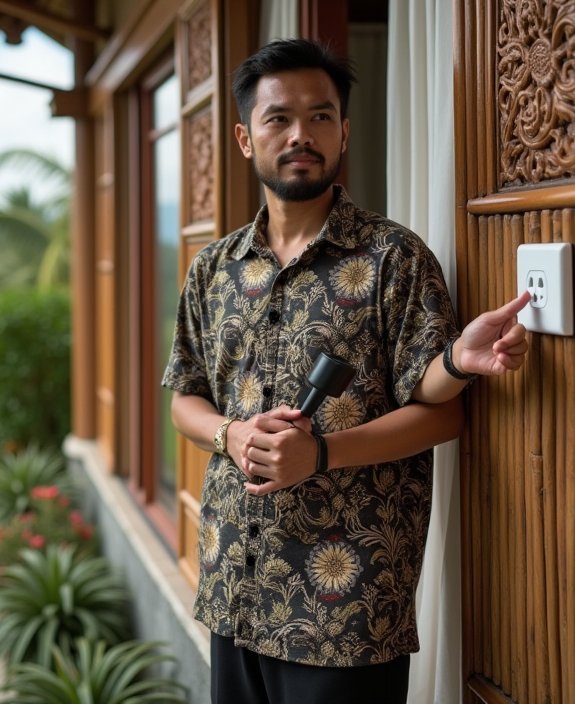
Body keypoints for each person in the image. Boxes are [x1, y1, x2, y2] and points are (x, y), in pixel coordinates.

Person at [162, 39, 530, 704]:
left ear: (344, 133)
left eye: (320, 116)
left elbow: (439, 408)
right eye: (279, 118)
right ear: (246, 138)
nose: (301, 133)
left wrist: (323, 452)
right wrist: (231, 436)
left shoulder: (394, 257)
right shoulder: (213, 269)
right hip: (233, 590)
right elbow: (184, 396)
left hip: (345, 610)